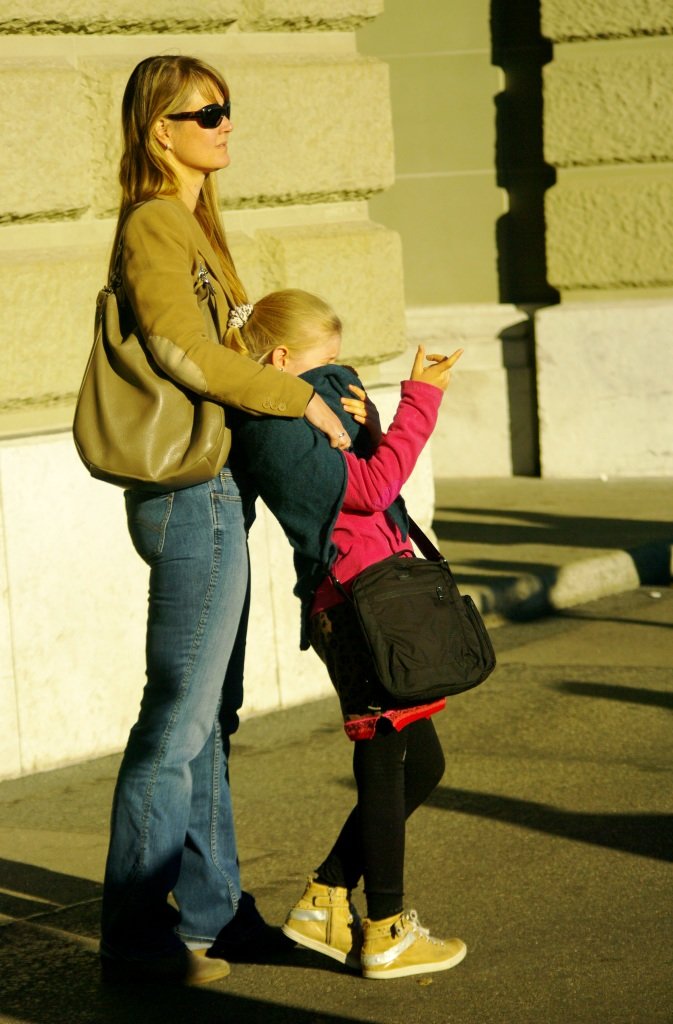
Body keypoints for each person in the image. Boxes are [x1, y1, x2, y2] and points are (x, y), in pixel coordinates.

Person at [97, 56, 350, 987]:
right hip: (187, 491)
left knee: (207, 720)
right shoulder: (155, 223)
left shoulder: (195, 222)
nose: (225, 122)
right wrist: (297, 397)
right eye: (205, 113)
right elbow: (180, 348)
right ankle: (135, 940)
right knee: (176, 721)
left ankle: (214, 916)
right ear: (159, 131)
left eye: (227, 108)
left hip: (214, 488)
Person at [228, 289, 467, 980]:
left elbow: (366, 480)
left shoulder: (306, 412)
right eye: (325, 367)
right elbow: (372, 488)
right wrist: (421, 400)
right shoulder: (274, 423)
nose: (338, 377)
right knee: (386, 757)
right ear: (280, 360)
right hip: (355, 603)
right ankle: (385, 930)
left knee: (421, 764)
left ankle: (326, 898)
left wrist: (364, 421)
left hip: (378, 594)